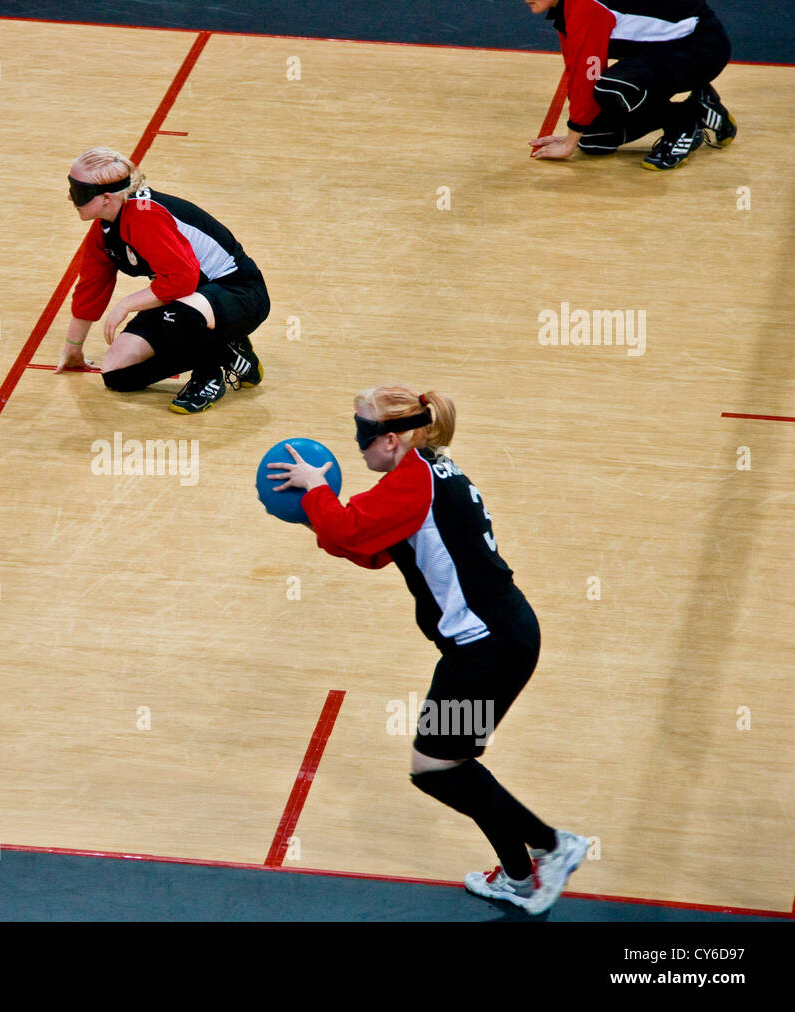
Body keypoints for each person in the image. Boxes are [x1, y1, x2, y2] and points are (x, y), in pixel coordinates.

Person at [267, 385, 588, 914]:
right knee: (454, 761)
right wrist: (315, 511)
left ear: (389, 440)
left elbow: (349, 526)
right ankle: (519, 876)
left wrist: (315, 490)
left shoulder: (410, 482)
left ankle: (554, 847)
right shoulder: (429, 468)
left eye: (360, 434)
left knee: (435, 768)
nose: (356, 445)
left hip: (486, 650)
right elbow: (370, 549)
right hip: (502, 635)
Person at [56, 147, 270, 414]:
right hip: (187, 299)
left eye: (78, 192)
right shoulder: (106, 227)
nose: (69, 196)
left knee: (181, 317)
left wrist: (126, 305)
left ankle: (209, 376)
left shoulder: (144, 215)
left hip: (240, 293)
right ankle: (228, 349)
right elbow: (91, 285)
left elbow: (182, 279)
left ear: (106, 197)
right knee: (116, 374)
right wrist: (73, 349)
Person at [525, 0, 736, 170]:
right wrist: (576, 132)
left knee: (612, 89)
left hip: (701, 47)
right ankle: (699, 105)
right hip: (662, 50)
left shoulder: (585, 6)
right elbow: (575, 69)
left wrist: (569, 142)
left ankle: (683, 121)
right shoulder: (567, 9)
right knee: (593, 138)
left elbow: (586, 76)